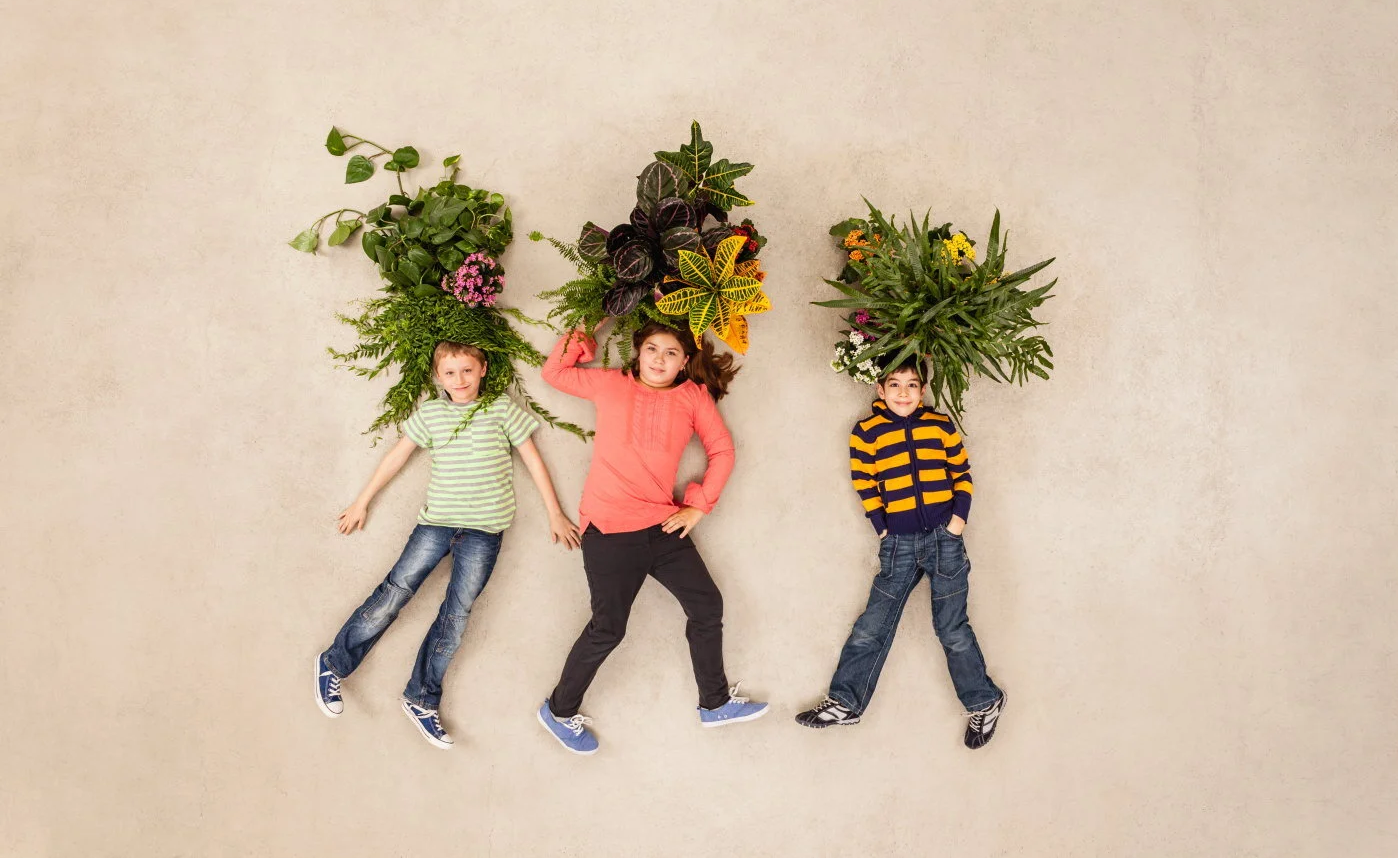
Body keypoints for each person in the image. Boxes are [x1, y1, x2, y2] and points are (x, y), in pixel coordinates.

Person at [313, 341, 580, 750]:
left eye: (468, 370)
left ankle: (421, 697)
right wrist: (362, 501)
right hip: (435, 525)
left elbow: (533, 461)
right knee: (395, 592)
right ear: (439, 377)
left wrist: (555, 513)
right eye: (451, 373)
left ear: (483, 370)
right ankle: (333, 663)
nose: (460, 379)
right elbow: (396, 457)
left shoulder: (501, 409)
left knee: (456, 615)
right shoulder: (432, 414)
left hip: (484, 532)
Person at [534, 319, 768, 755]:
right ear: (638, 353)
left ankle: (714, 703)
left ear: (684, 362)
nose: (660, 359)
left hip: (662, 527)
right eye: (652, 349)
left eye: (671, 353)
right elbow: (554, 372)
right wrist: (589, 324)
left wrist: (700, 505)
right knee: (608, 629)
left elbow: (722, 449)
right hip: (609, 529)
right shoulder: (610, 384)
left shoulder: (693, 396)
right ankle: (558, 711)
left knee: (707, 606)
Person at [795, 362, 1006, 748]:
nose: (903, 392)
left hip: (944, 539)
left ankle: (985, 701)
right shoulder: (866, 432)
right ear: (880, 389)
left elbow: (961, 474)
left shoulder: (939, 425)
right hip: (899, 544)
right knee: (871, 626)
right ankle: (845, 702)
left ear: (922, 390)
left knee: (951, 629)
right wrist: (883, 528)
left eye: (911, 385)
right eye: (895, 384)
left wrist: (957, 522)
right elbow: (864, 482)